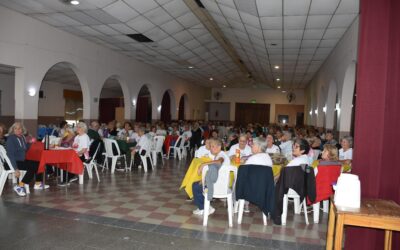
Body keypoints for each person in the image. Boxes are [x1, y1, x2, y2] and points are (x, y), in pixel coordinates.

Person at [6, 122, 47, 196]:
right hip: (14, 161)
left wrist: (30, 142)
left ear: (22, 129)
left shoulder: (22, 137)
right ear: (13, 130)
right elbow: (10, 155)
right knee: (32, 167)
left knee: (39, 162)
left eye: (20, 128)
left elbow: (25, 148)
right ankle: (20, 186)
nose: (18, 130)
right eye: (16, 128)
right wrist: (15, 169)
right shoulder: (11, 139)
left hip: (22, 160)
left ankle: (37, 183)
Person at [192, 138, 230, 216]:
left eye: (212, 146)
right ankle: (206, 207)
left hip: (218, 185)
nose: (210, 148)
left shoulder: (221, 155)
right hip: (220, 183)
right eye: (211, 146)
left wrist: (203, 164)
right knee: (198, 184)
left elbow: (219, 162)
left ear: (219, 147)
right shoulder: (219, 154)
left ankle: (204, 208)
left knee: (196, 186)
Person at [58, 122, 90, 186]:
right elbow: (74, 146)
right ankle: (69, 176)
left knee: (67, 161)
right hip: (76, 153)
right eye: (77, 127)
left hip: (83, 155)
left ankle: (66, 180)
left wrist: (76, 154)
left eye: (79, 127)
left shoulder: (84, 137)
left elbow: (84, 150)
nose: (77, 128)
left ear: (83, 129)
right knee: (64, 159)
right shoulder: (77, 136)